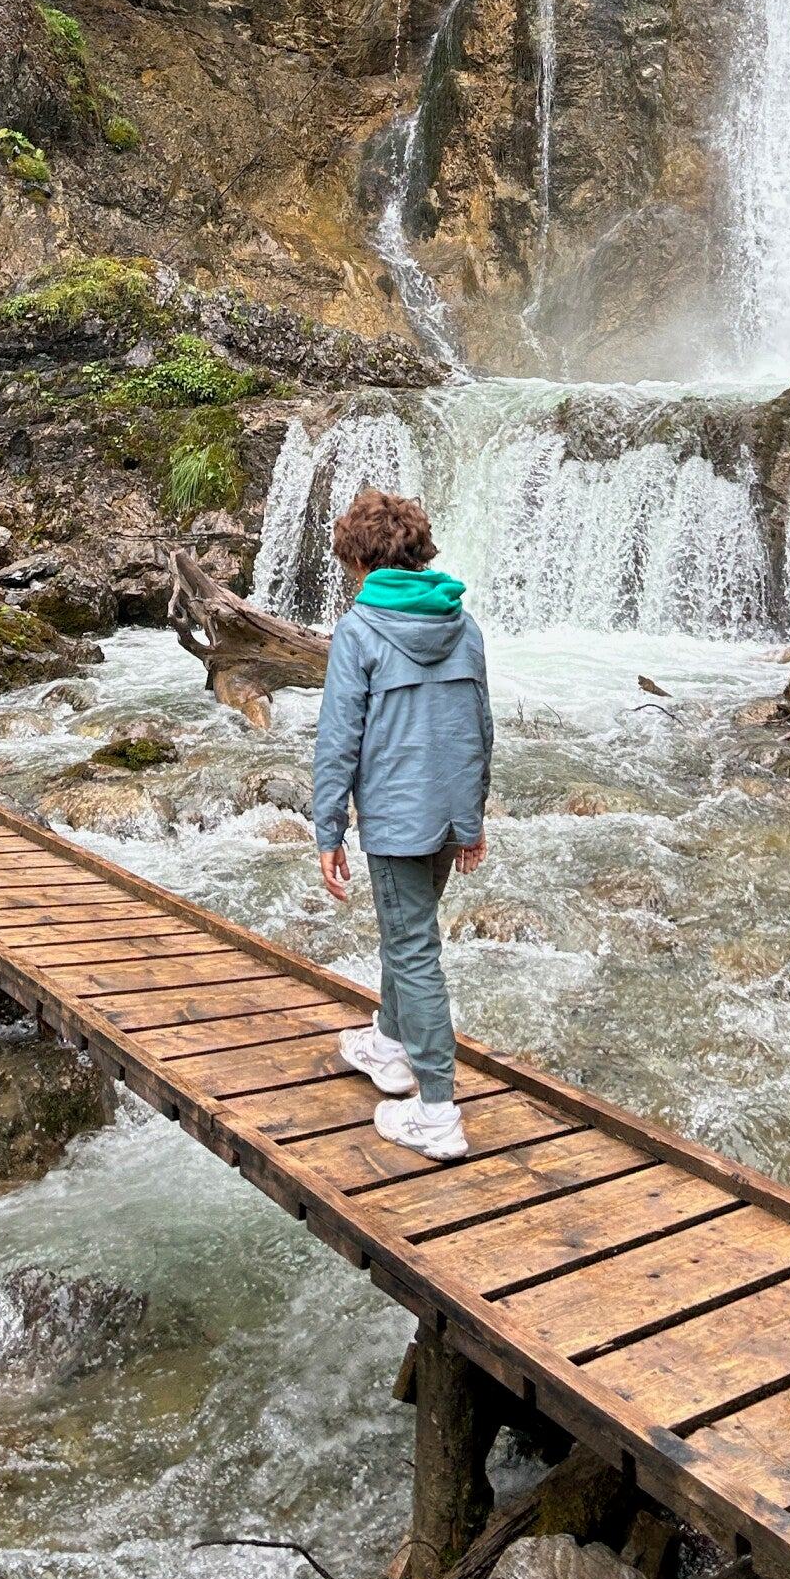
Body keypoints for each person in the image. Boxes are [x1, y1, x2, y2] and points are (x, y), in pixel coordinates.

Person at [313, 488, 492, 1160]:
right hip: (448, 813)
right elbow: (480, 729)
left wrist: (328, 829)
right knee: (410, 931)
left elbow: (338, 741)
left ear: (361, 560)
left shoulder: (360, 630)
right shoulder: (463, 624)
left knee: (414, 948)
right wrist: (471, 819)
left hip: (394, 816)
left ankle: (438, 1112)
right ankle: (389, 1046)